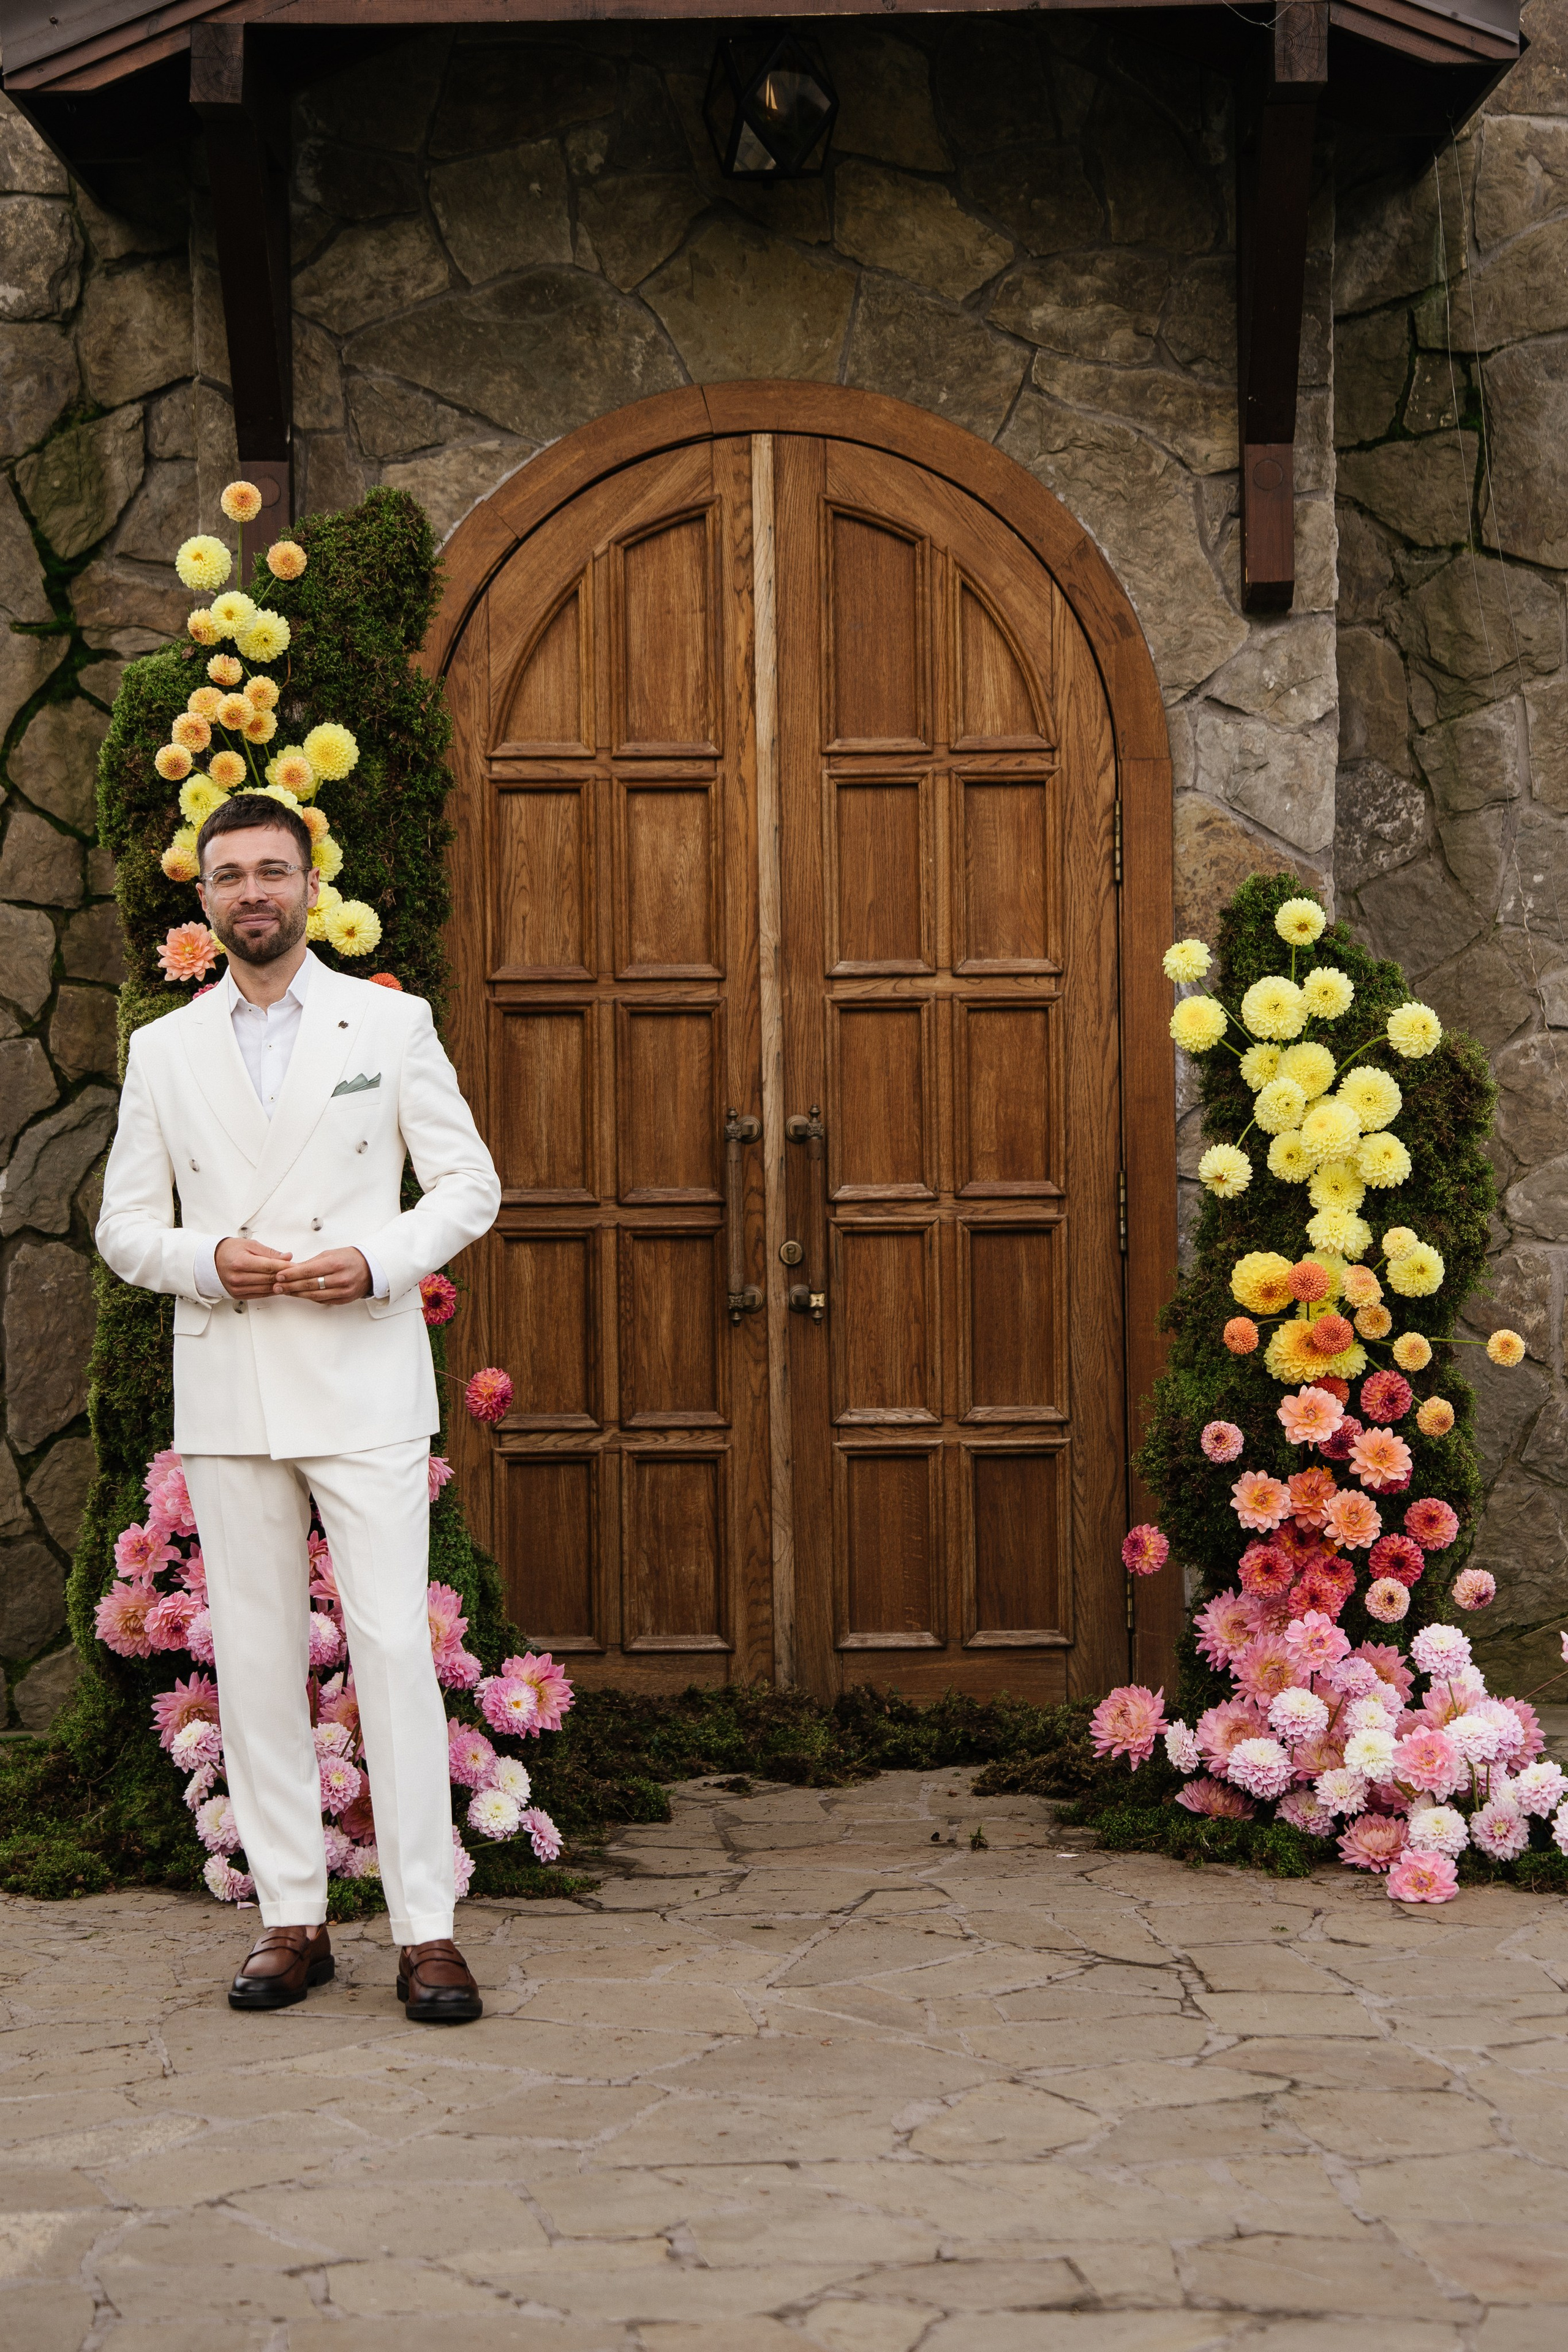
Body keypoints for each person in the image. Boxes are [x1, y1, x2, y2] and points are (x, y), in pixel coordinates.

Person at [97, 794, 501, 2022]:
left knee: (387, 1646)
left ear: (310, 886)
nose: (253, 893)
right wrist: (204, 1257)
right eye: (231, 876)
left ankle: (427, 1929)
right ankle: (291, 1920)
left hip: (361, 1376)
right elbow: (123, 1227)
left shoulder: (387, 1022)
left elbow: (468, 1183)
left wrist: (380, 1259)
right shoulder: (163, 1051)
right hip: (231, 1382)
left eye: (274, 871)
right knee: (259, 1659)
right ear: (205, 899)